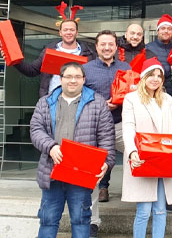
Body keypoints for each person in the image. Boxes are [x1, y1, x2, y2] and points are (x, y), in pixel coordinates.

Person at [29, 62, 115, 238]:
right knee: (48, 220)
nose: (73, 81)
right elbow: (36, 130)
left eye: (77, 77)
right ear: (61, 79)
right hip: (52, 172)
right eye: (68, 76)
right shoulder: (45, 102)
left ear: (84, 79)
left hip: (81, 175)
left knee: (81, 220)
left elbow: (107, 137)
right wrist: (50, 146)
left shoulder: (97, 103)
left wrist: (107, 162)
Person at [121, 57, 172, 238]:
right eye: (151, 75)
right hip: (143, 157)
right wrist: (132, 151)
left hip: (164, 157)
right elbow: (128, 126)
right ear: (143, 77)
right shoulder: (131, 98)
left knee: (160, 209)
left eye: (159, 76)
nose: (155, 79)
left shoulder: (167, 99)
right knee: (144, 210)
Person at [82, 30, 131, 236]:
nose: (107, 47)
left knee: (139, 155)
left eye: (110, 44)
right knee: (91, 175)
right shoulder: (85, 69)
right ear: (96, 47)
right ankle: (93, 221)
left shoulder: (126, 67)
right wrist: (101, 103)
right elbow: (79, 95)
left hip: (120, 125)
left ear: (116, 47)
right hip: (94, 128)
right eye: (103, 44)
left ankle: (149, 204)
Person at [14, 19, 96, 97]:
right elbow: (31, 71)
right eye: (65, 30)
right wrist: (13, 60)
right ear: (60, 32)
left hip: (80, 101)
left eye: (72, 30)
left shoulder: (89, 54)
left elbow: (94, 80)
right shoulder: (49, 50)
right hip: (52, 101)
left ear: (77, 32)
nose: (68, 32)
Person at [146, 14, 172, 105]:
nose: (166, 31)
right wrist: (170, 68)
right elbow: (148, 71)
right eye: (163, 28)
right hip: (155, 93)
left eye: (169, 29)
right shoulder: (148, 48)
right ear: (158, 31)